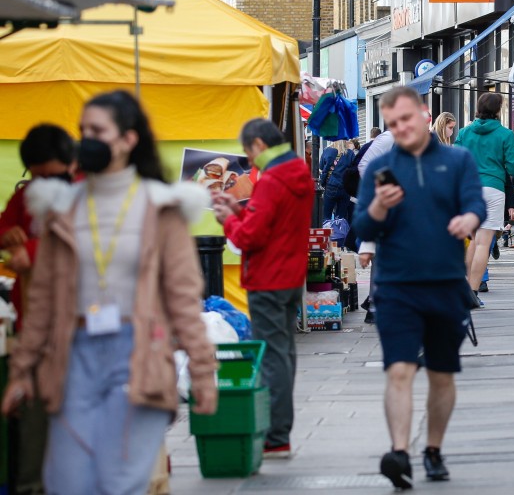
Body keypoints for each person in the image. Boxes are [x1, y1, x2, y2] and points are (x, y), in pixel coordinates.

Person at [1, 90, 218, 495]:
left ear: (128, 140)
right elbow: (43, 300)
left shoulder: (162, 207)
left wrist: (203, 374)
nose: (87, 140)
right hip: (72, 356)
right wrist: (22, 371)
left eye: (97, 131)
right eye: (83, 130)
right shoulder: (60, 209)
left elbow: (184, 300)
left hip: (138, 355)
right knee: (68, 482)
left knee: (118, 483)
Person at [352, 86, 486, 490]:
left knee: (442, 375)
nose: (401, 128)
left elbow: (476, 203)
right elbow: (363, 226)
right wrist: (378, 207)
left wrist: (468, 220)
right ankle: (399, 452)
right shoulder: (380, 170)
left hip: (445, 286)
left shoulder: (457, 159)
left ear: (425, 114)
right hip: (396, 288)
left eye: (407, 119)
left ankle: (432, 448)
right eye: (393, 124)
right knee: (399, 370)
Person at [213, 119, 315, 459]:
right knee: (284, 352)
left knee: (272, 354)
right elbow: (270, 225)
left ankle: (276, 435)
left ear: (257, 145)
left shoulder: (272, 180)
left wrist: (227, 219)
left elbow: (248, 237)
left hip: (267, 278)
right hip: (289, 276)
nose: (248, 160)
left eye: (247, 153)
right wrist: (237, 212)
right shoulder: (297, 170)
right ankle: (281, 429)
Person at [0, 124, 75, 494]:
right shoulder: (26, 196)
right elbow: (5, 229)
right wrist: (9, 237)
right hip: (32, 318)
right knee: (34, 418)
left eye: (50, 173)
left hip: (78, 325)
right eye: (37, 175)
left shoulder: (85, 194)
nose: (43, 182)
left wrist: (28, 252)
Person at [454, 93, 514, 301]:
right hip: (493, 188)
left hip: (469, 188)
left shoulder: (464, 133)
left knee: (472, 240)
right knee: (483, 243)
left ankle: (464, 288)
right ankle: (472, 292)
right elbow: (513, 167)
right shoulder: (505, 134)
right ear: (497, 110)